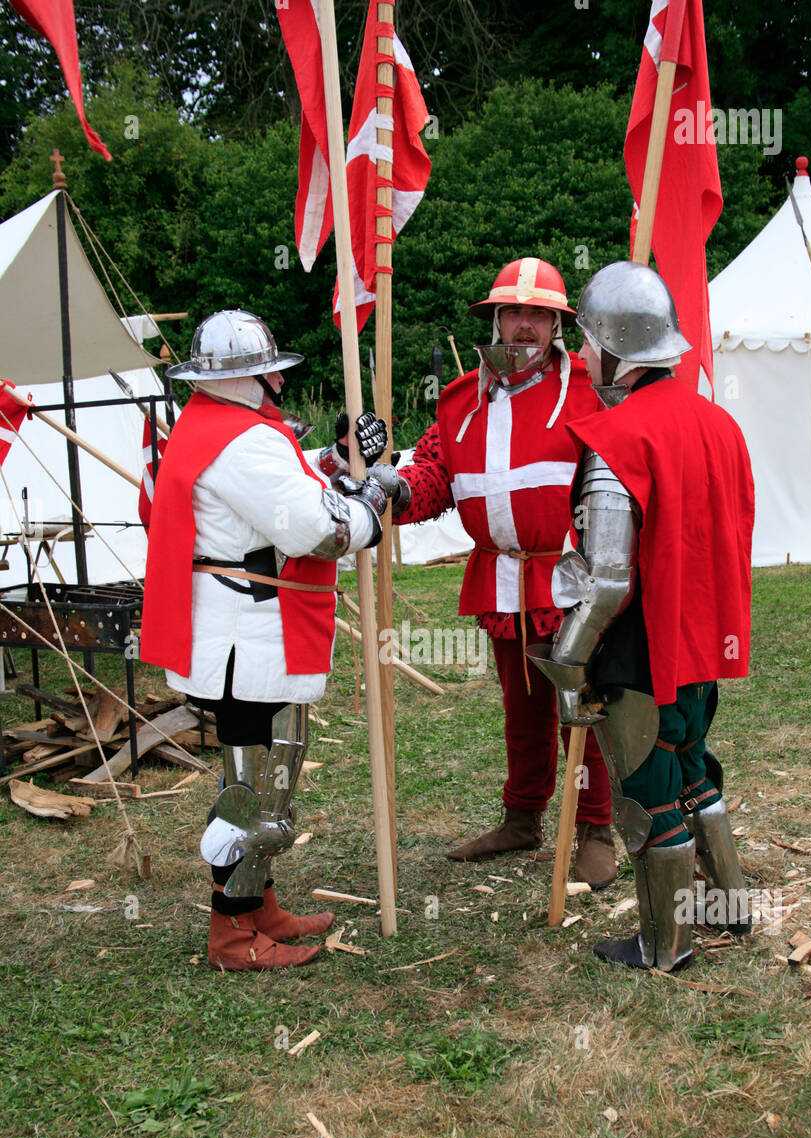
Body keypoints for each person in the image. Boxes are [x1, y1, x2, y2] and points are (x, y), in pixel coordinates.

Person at [140, 309, 396, 971]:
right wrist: (370, 499)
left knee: (260, 780)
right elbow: (312, 528)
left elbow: (287, 483)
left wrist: (341, 461)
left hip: (240, 634)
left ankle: (259, 906)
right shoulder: (238, 441)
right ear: (258, 376)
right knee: (251, 795)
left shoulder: (216, 427)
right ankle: (232, 934)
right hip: (245, 641)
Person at [533, 261, 754, 971]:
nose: (581, 354)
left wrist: (566, 664)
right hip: (702, 644)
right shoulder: (721, 425)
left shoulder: (616, 441)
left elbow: (605, 581)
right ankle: (730, 907)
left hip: (642, 652)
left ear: (615, 348)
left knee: (646, 802)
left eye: (588, 341)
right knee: (695, 772)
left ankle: (666, 948)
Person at [386, 258, 616, 886]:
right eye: (512, 312)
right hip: (501, 579)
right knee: (522, 709)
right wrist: (394, 490)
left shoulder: (589, 392)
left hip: (570, 580)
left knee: (581, 708)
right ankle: (523, 817)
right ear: (494, 318)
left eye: (537, 314)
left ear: (557, 325)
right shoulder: (463, 399)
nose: (523, 326)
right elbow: (433, 478)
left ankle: (596, 827)